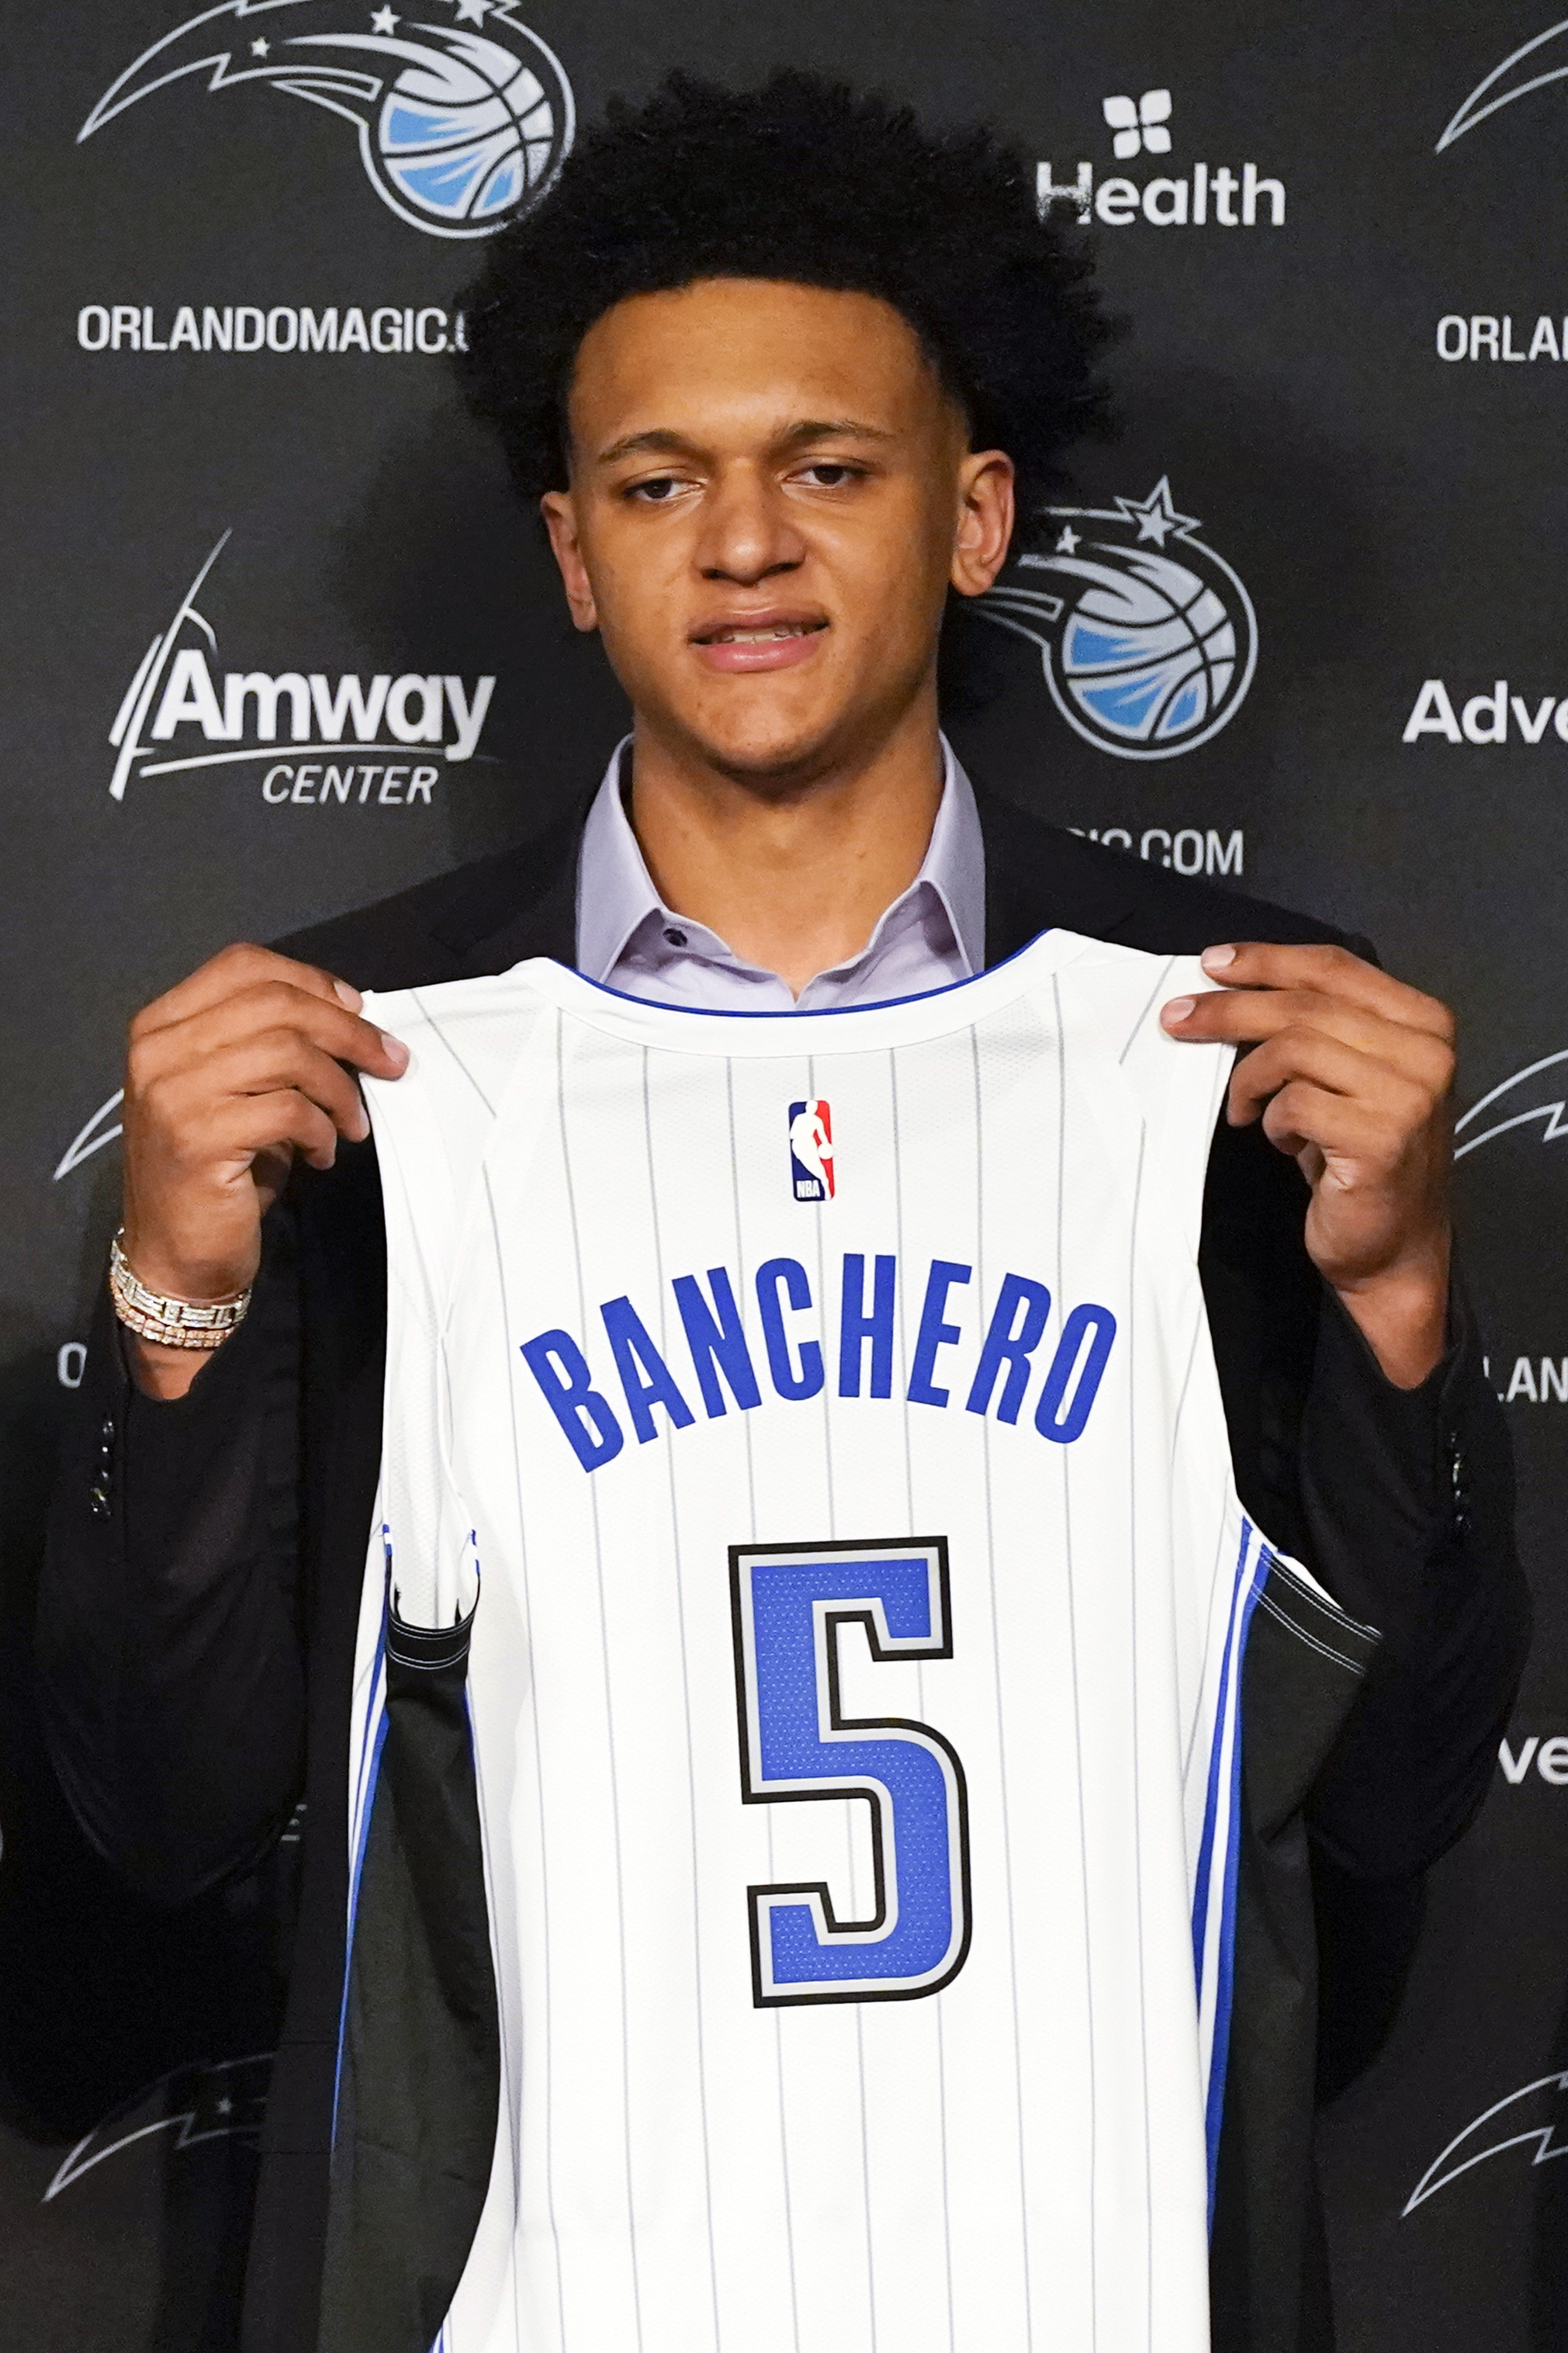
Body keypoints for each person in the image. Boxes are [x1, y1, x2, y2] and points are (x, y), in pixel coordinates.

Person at [40, 71, 1525, 2353]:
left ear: (976, 515)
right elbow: (166, 1811)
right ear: (572, 550)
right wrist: (176, 1309)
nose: (742, 543)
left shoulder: (1238, 1075)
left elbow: (1405, 1794)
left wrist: (1407, 1297)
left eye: (827, 467)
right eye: (659, 481)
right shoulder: (361, 1090)